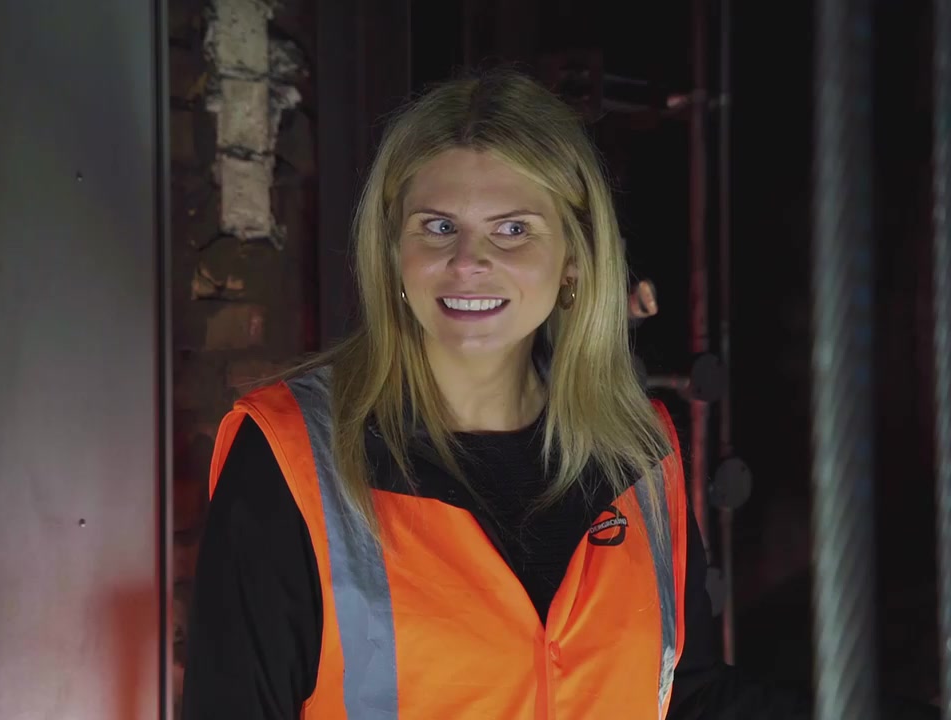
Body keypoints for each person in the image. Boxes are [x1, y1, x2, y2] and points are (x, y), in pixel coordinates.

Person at [179, 69, 929, 719]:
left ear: (572, 260)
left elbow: (686, 699)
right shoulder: (293, 456)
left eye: (512, 230)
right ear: (394, 249)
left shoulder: (635, 451)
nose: (468, 262)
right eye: (437, 227)